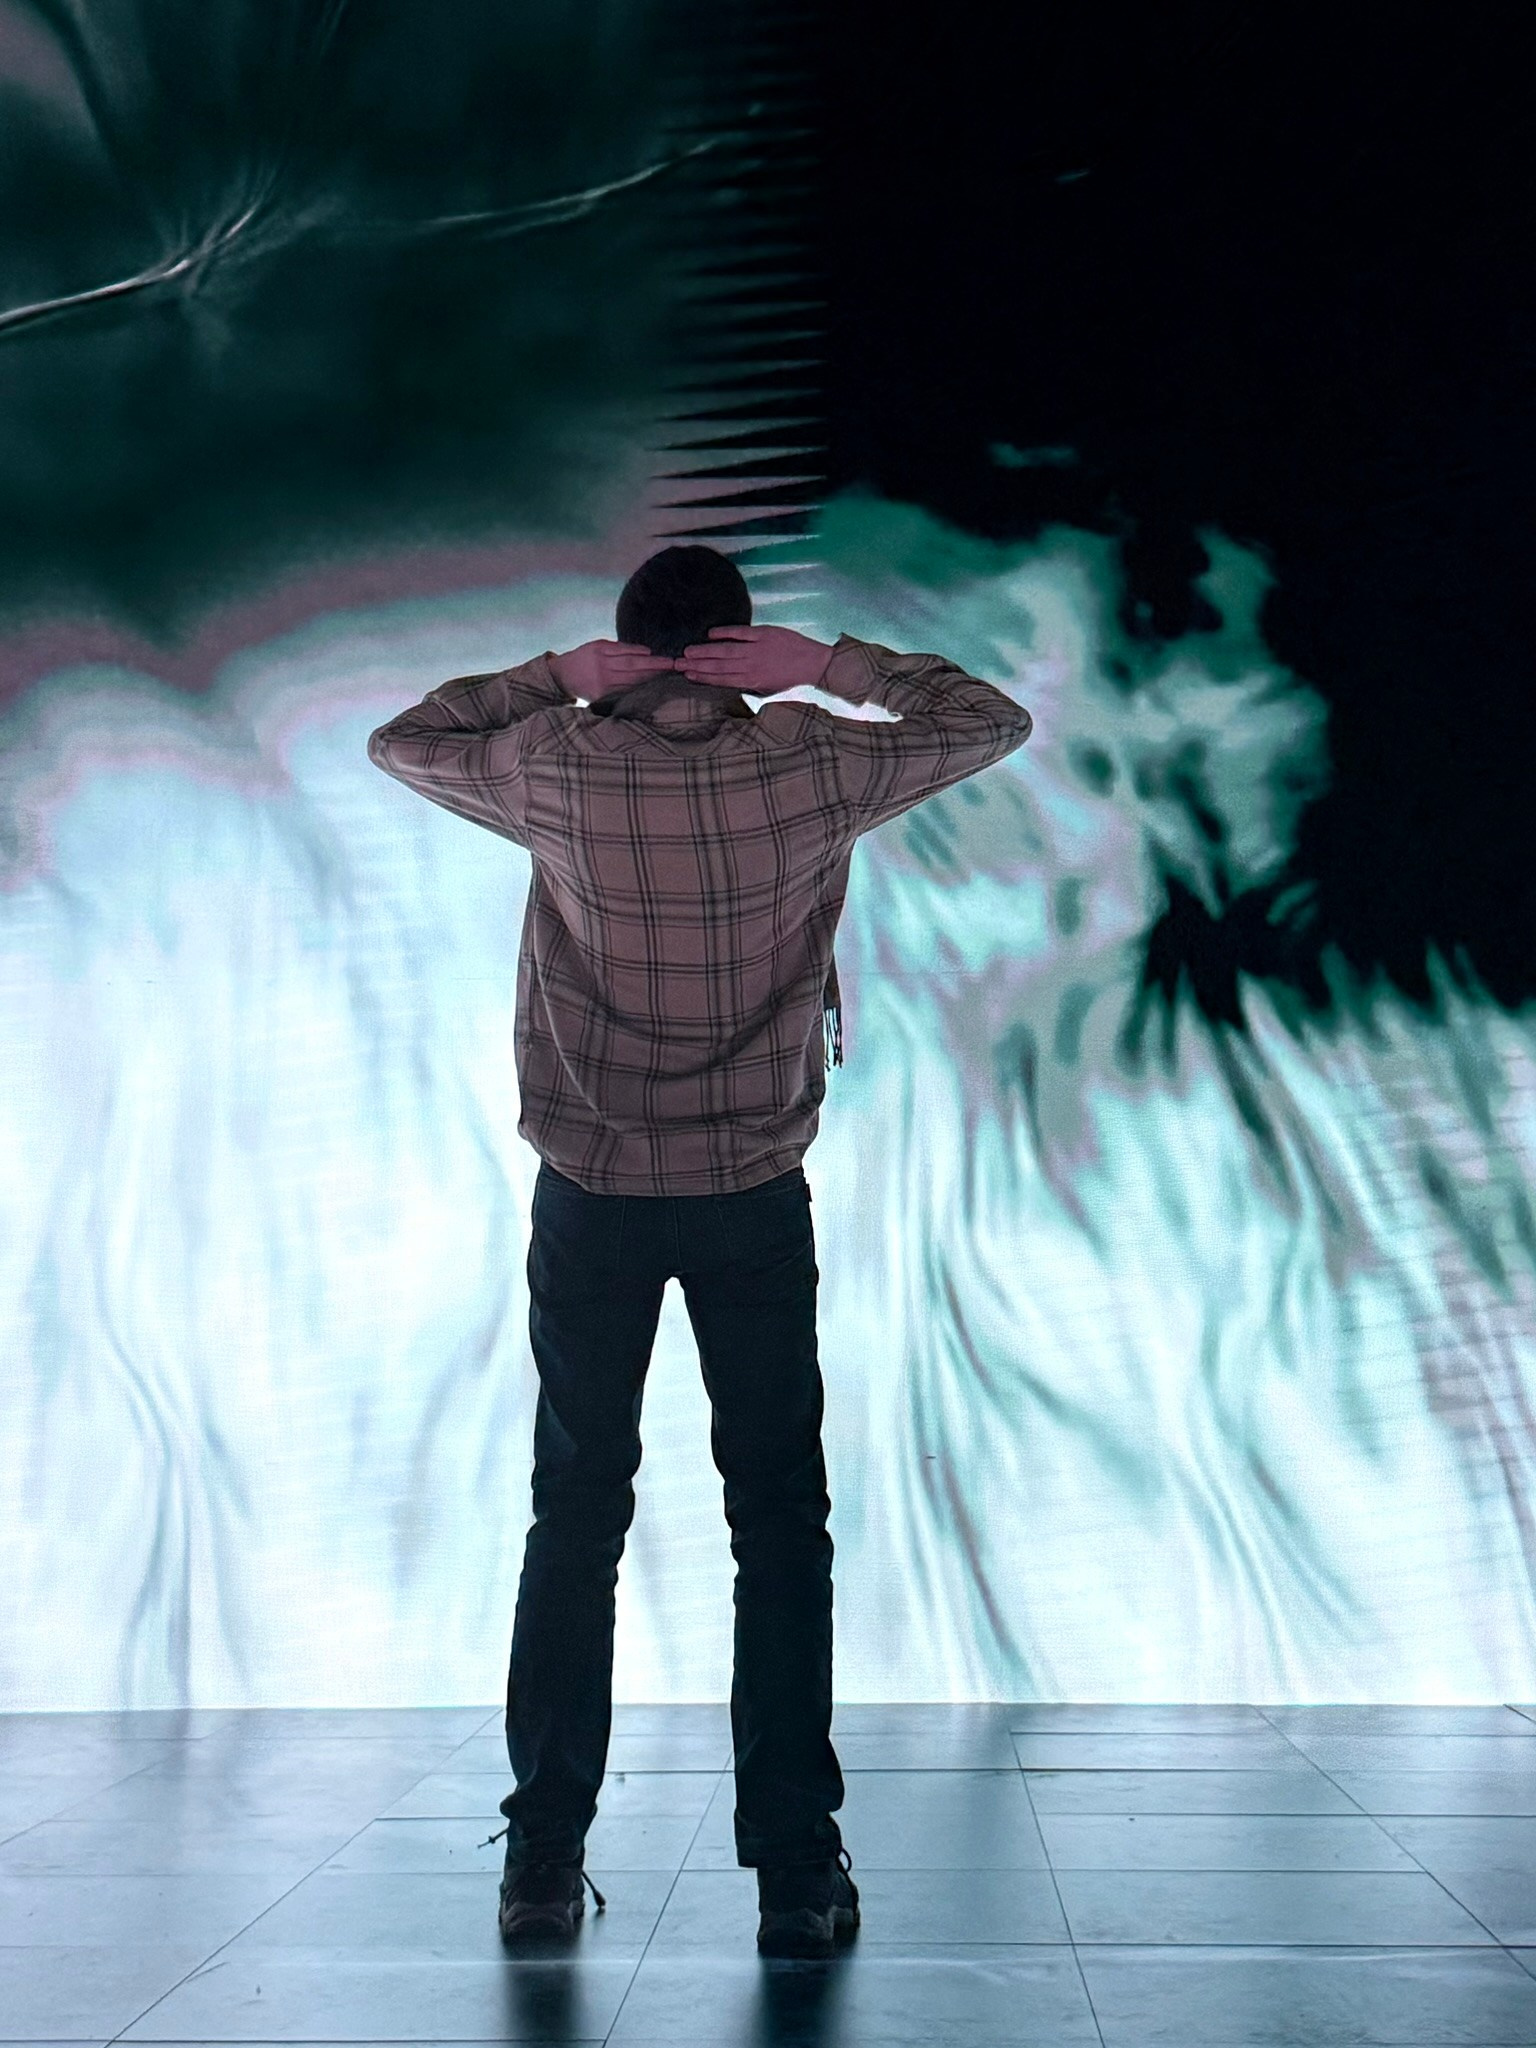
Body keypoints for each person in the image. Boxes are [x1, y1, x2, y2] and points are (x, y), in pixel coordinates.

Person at [366, 543, 1033, 1957]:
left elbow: (404, 740)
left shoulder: (553, 763)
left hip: (592, 1192)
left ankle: (543, 1862)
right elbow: (989, 720)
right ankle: (796, 1874)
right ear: (738, 646)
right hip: (750, 1196)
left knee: (576, 1516)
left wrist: (555, 678)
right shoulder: (812, 762)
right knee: (778, 1523)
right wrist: (831, 666)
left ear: (623, 650)